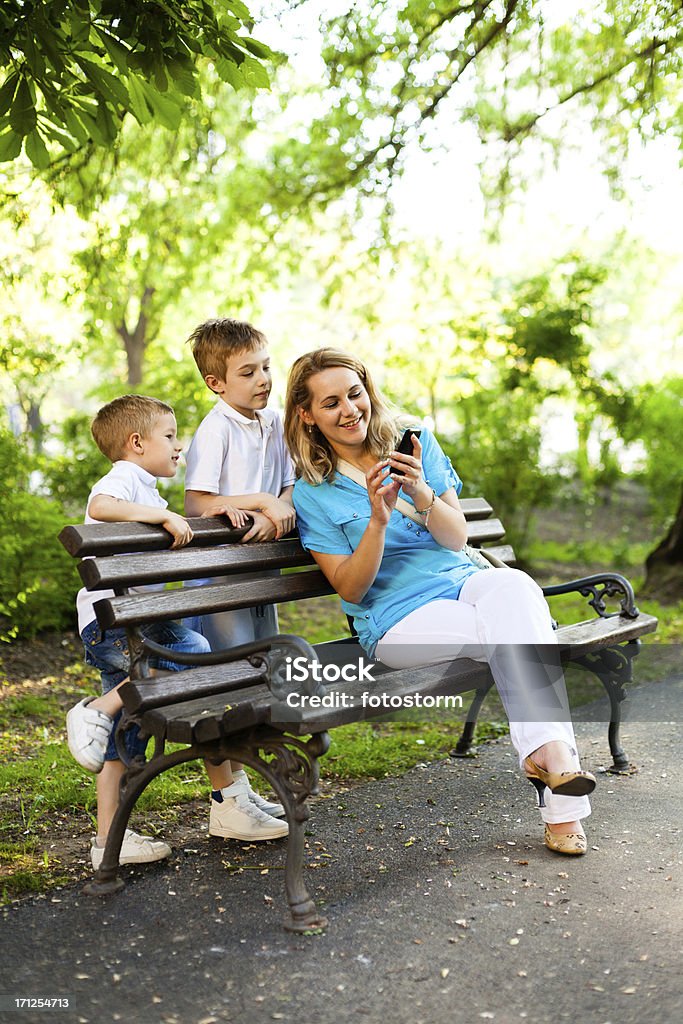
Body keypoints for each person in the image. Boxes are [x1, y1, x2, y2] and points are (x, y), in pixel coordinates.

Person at [284, 349, 596, 856]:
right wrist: (378, 520)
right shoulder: (312, 492)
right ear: (307, 414)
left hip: (464, 581)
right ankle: (558, 788)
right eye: (330, 402)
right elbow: (350, 589)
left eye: (355, 393)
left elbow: (456, 538)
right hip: (399, 620)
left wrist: (422, 493)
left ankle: (551, 758)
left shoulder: (414, 442)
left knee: (517, 588)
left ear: (369, 391)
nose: (349, 410)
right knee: (521, 634)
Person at [65, 396, 287, 874]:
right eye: (169, 436)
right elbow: (100, 505)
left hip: (130, 619)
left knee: (123, 730)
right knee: (195, 651)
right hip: (122, 622)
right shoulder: (126, 478)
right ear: (136, 443)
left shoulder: (145, 485)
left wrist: (218, 513)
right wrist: (163, 518)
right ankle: (94, 711)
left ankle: (108, 841)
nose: (178, 445)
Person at [184, 317, 296, 838]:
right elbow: (198, 503)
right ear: (217, 383)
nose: (263, 379)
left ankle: (241, 791)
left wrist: (279, 510)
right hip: (219, 581)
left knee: (256, 676)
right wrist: (260, 502)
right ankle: (224, 800)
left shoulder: (273, 422)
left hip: (258, 575)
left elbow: (291, 487)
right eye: (248, 372)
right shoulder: (216, 428)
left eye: (266, 367)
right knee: (225, 683)